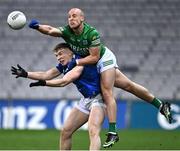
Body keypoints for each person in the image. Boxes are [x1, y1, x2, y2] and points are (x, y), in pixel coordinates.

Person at [28, 8, 172, 148]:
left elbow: (95, 57)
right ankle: (160, 105)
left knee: (106, 91)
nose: (71, 19)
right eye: (69, 17)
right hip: (89, 65)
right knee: (129, 86)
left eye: (74, 16)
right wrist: (38, 27)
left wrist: (76, 62)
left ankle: (113, 131)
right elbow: (50, 30)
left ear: (82, 18)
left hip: (103, 59)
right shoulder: (67, 31)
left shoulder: (91, 33)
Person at [11, 43, 106, 150]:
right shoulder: (65, 65)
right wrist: (26, 74)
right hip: (86, 99)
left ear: (71, 52)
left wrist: (45, 83)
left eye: (61, 54)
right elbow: (47, 74)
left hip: (99, 99)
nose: (58, 57)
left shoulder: (80, 62)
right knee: (66, 132)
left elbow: (64, 81)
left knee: (93, 131)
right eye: (56, 55)